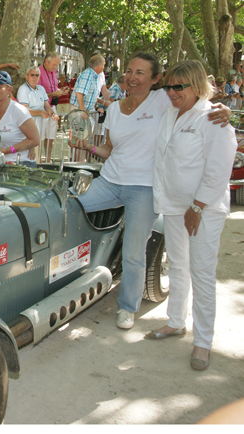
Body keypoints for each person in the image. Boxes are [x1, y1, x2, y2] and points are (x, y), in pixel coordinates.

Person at [68, 52, 231, 330]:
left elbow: (194, 99)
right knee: (69, 207)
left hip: (144, 189)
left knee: (134, 252)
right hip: (110, 181)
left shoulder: (161, 101)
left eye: (140, 72)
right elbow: (111, 150)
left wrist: (221, 109)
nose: (132, 77)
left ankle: (127, 307)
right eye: (129, 71)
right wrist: (90, 148)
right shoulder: (116, 109)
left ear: (156, 79)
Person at [145, 60, 237, 371]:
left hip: (203, 209)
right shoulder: (169, 111)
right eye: (168, 86)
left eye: (178, 87)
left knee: (202, 272)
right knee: (178, 266)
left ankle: (203, 342)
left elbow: (219, 168)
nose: (171, 92)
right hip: (173, 203)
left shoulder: (212, 117)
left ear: (196, 87)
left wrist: (197, 207)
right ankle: (175, 322)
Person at [0, 71, 40, 166]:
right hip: (0, 165)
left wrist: (8, 150)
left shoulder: (18, 110)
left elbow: (35, 139)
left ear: (9, 90)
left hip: (21, 165)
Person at [17, 65, 57, 163]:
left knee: (36, 155)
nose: (35, 77)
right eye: (32, 75)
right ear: (27, 76)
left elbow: (47, 106)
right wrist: (40, 112)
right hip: (27, 127)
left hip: (39, 125)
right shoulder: (23, 89)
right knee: (28, 156)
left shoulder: (41, 89)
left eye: (37, 75)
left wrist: (52, 114)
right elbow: (24, 109)